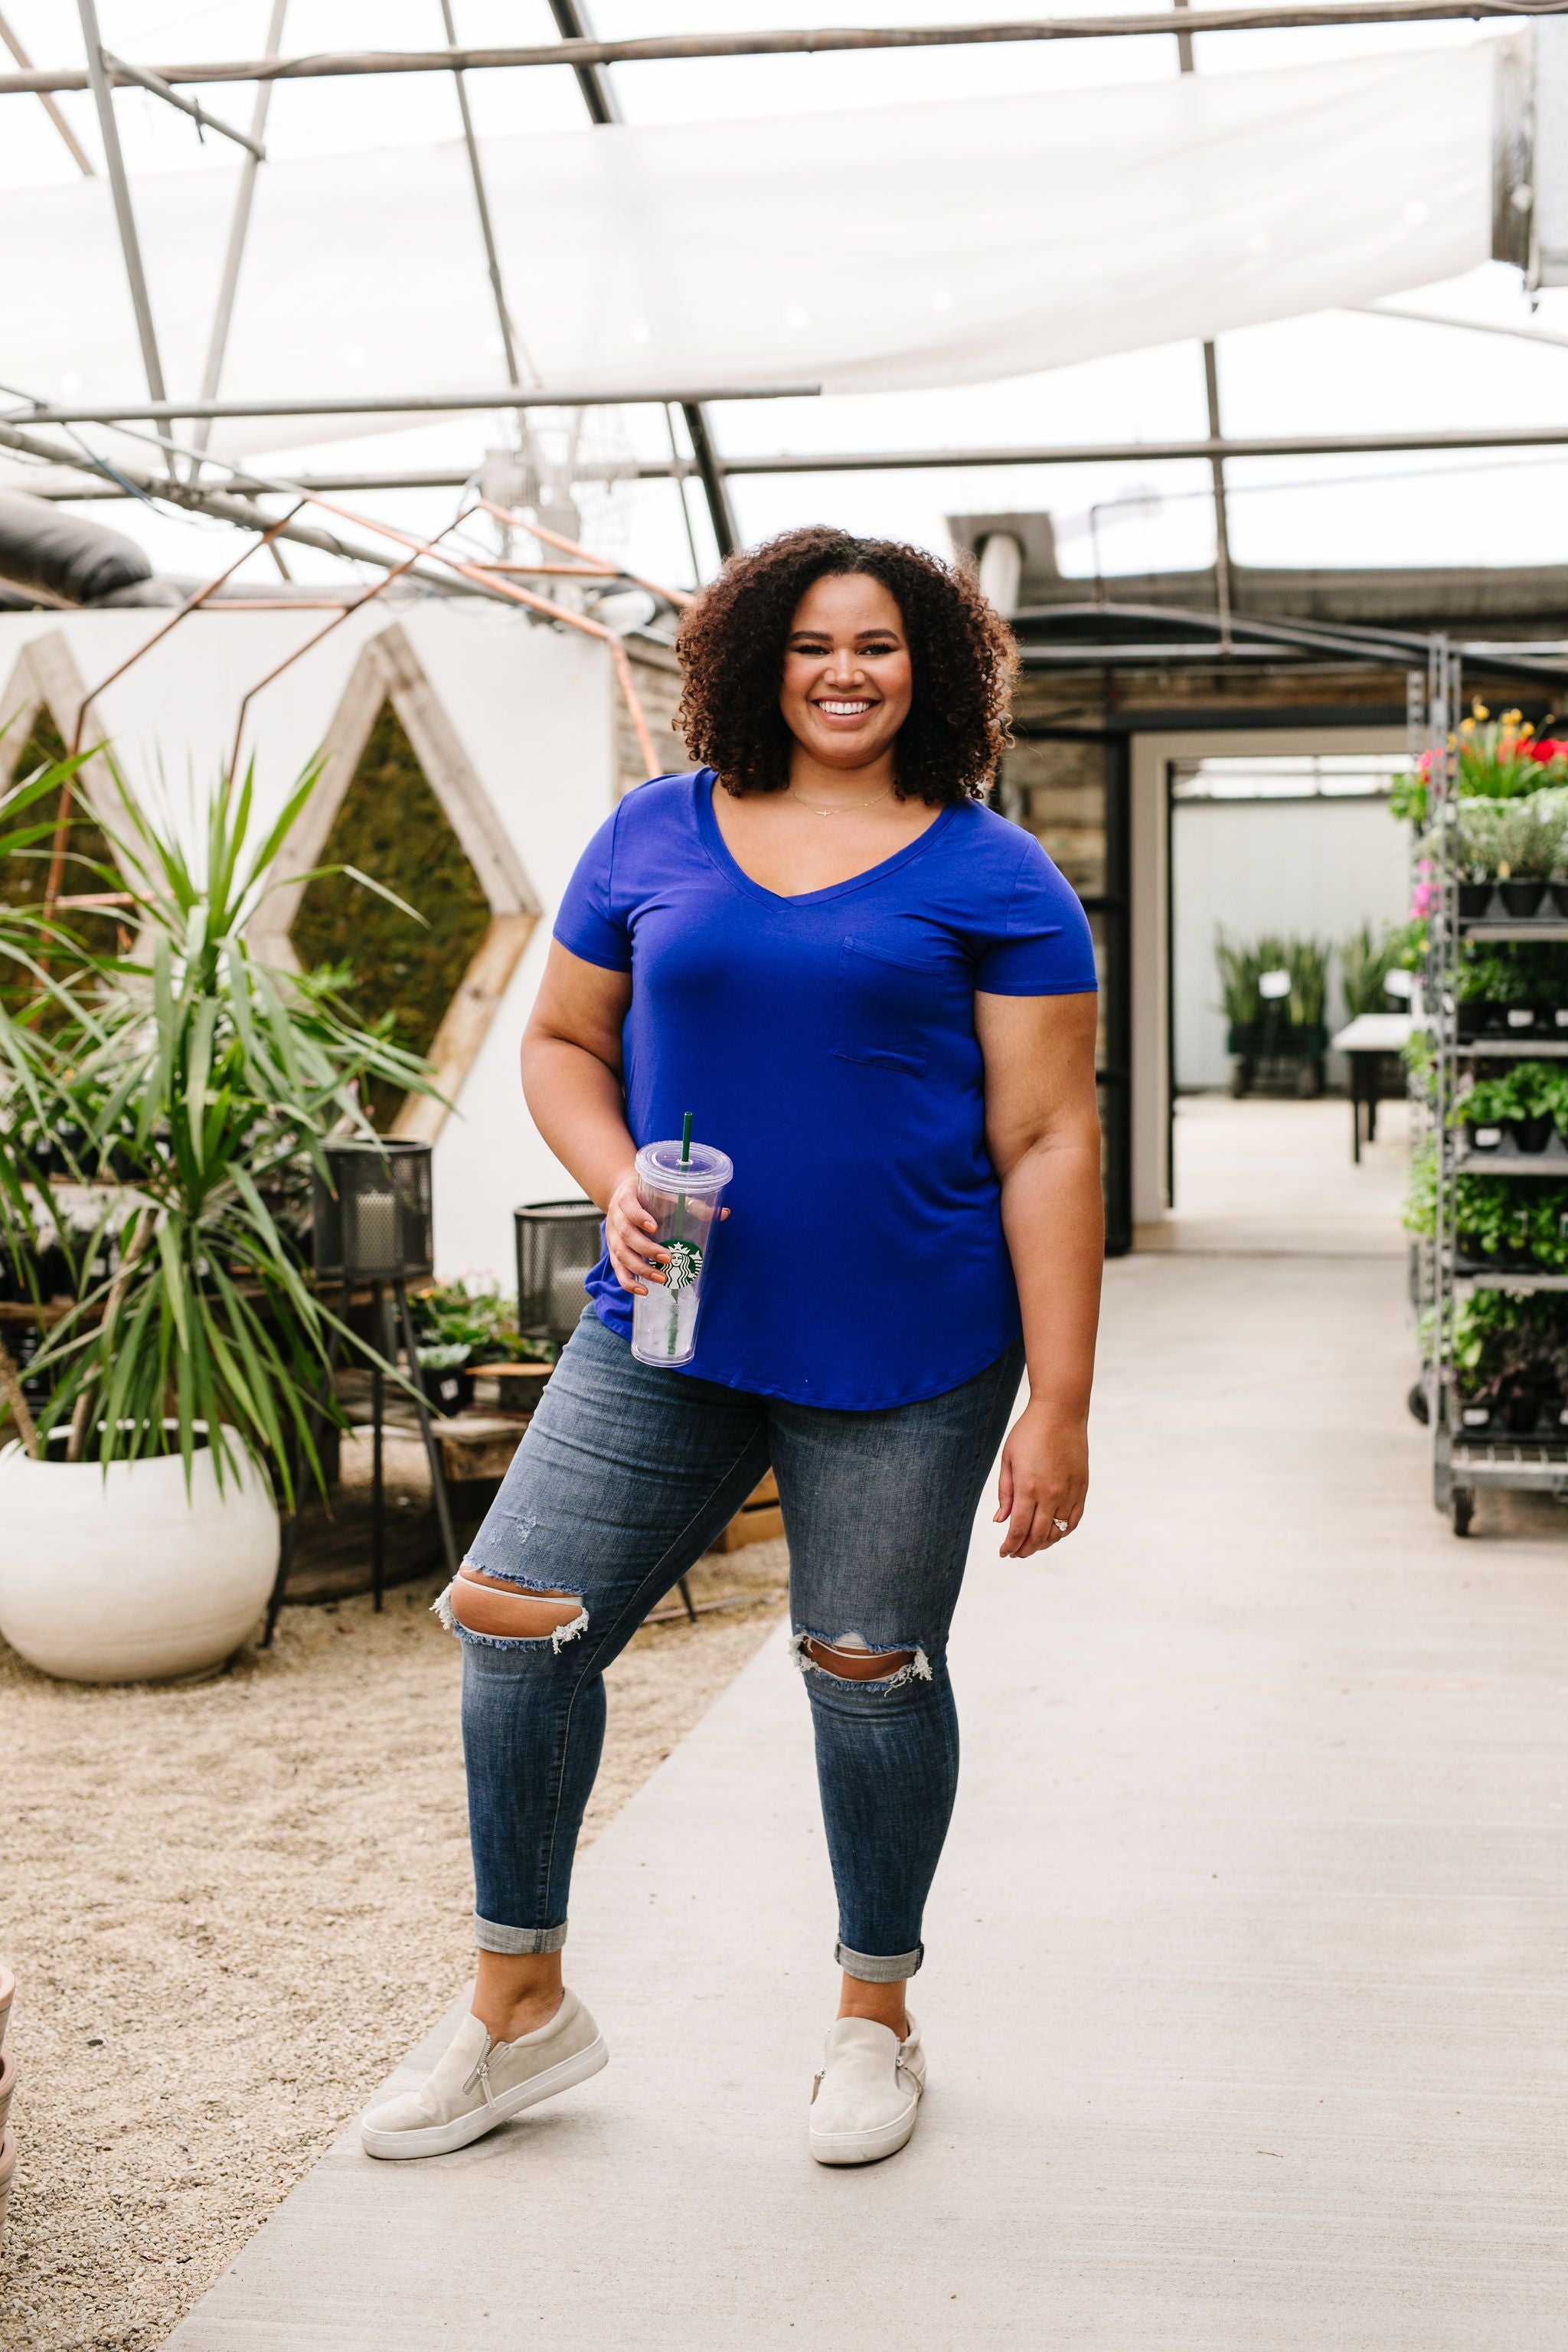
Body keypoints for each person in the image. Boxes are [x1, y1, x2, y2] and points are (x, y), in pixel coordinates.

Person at [361, 525, 1102, 2169]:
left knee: (867, 1672)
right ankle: (517, 2009)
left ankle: (873, 2017)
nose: (846, 672)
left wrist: (1059, 1401)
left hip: (914, 1345)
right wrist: (616, 1173)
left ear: (936, 672)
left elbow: (1050, 1138)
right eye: (813, 643)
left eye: (882, 645)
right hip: (669, 1325)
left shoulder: (992, 873)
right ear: (756, 658)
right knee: (515, 1619)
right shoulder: (652, 831)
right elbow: (562, 1041)